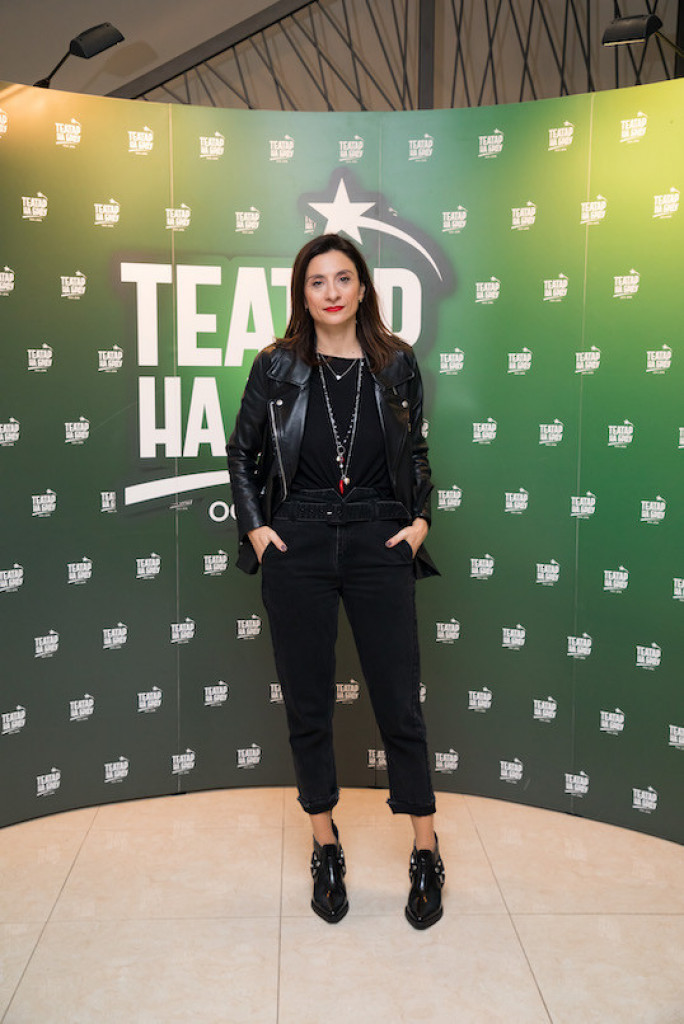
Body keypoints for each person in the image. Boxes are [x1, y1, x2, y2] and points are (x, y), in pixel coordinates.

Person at [227, 233, 444, 929]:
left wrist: (421, 520)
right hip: (300, 538)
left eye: (342, 278)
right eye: (317, 281)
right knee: (308, 703)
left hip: (381, 535)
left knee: (399, 702)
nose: (331, 292)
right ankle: (325, 845)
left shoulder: (396, 363)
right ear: (303, 292)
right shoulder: (278, 365)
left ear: (362, 287)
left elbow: (416, 451)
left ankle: (426, 849)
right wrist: (258, 530)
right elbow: (242, 451)